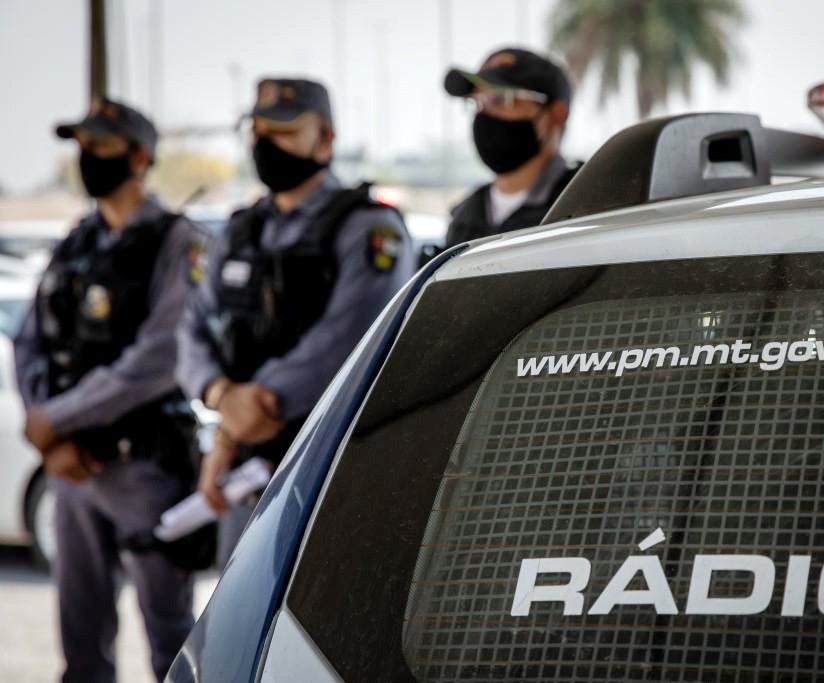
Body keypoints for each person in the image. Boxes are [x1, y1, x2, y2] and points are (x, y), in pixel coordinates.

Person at [176, 77, 414, 565]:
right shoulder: (240, 230)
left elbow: (349, 339)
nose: (265, 143)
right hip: (244, 465)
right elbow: (193, 328)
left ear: (325, 139)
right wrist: (220, 395)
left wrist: (246, 413)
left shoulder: (367, 227)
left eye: (283, 131)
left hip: (331, 463)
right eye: (258, 131)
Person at [14, 97, 202, 683]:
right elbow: (30, 340)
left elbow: (161, 355)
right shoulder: (78, 241)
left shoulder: (177, 241)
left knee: (172, 644)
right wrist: (50, 432)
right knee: (81, 644)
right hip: (72, 469)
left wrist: (59, 417)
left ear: (139, 157)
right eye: (82, 145)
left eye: (100, 145)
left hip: (144, 467)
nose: (87, 156)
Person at [443, 47, 579, 247]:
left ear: (556, 113)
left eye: (499, 99)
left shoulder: (584, 206)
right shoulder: (464, 217)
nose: (483, 115)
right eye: (477, 101)